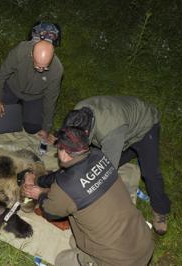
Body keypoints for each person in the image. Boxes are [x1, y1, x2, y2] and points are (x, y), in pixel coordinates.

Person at [23, 126, 154, 266]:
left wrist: (40, 193)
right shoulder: (99, 156)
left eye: (59, 149)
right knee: (76, 240)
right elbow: (62, 175)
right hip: (143, 241)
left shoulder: (65, 188)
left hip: (121, 262)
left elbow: (49, 211)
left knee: (62, 260)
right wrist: (37, 180)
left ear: (65, 154)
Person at [63, 95, 170, 235]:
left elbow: (107, 172)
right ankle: (131, 150)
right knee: (98, 159)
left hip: (145, 126)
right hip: (123, 127)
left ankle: (160, 210)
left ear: (87, 132)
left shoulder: (111, 132)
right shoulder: (77, 115)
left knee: (150, 173)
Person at [0, 37, 63, 142]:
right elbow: (3, 74)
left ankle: (23, 108)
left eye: (45, 67)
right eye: (38, 66)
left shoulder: (57, 70)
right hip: (13, 87)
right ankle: (17, 106)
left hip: (34, 97)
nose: (41, 70)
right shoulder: (20, 51)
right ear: (31, 54)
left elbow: (51, 100)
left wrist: (46, 129)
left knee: (32, 128)